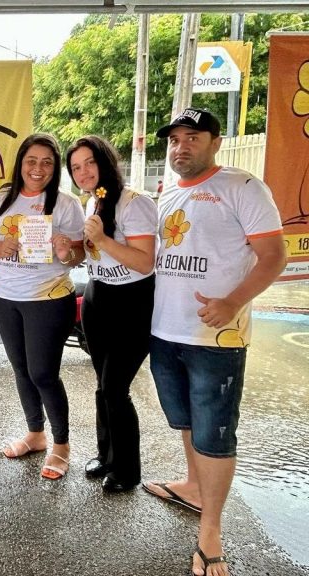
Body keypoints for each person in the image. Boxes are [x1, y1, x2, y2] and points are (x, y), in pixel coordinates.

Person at [144, 108, 286, 576]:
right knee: (186, 421)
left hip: (216, 338)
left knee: (215, 434)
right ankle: (193, 486)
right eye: (175, 140)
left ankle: (211, 532)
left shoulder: (242, 186)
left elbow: (274, 256)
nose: (181, 146)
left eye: (193, 137)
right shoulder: (167, 194)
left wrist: (232, 302)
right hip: (165, 332)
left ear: (215, 142)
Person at [0, 133, 85, 480]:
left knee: (43, 374)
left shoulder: (66, 203)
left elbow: (79, 254)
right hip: (6, 297)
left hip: (48, 299)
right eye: (32, 161)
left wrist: (67, 252)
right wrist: (0, 248)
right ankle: (35, 434)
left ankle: (62, 444)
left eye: (47, 162)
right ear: (21, 163)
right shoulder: (1, 199)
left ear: (55, 168)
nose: (38, 168)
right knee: (21, 369)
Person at [65, 135, 157, 493]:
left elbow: (145, 262)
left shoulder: (135, 203)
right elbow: (87, 255)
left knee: (116, 388)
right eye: (76, 167)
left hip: (132, 302)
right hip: (98, 297)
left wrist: (103, 240)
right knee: (103, 385)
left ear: (104, 161)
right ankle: (106, 456)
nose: (83, 172)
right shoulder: (92, 202)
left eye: (89, 162)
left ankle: (128, 471)